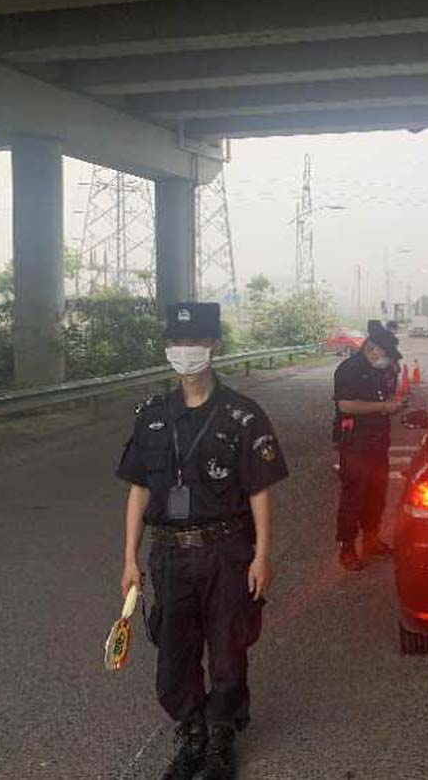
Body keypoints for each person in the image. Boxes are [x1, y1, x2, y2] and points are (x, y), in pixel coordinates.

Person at [117, 302, 288, 780]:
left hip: (226, 550)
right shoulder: (152, 415)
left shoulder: (243, 416)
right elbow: (138, 490)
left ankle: (221, 737)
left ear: (213, 345)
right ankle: (191, 732)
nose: (184, 350)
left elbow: (258, 490)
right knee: (175, 650)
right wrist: (129, 558)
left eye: (193, 342)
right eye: (176, 342)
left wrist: (262, 555)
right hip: (170, 554)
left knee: (228, 646)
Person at [332, 320, 407, 571]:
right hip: (355, 443)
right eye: (384, 354)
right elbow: (345, 405)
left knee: (377, 493)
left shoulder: (382, 370)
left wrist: (395, 403)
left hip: (378, 441)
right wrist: (383, 406)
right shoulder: (348, 369)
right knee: (354, 496)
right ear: (371, 347)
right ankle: (347, 547)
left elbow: (387, 395)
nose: (386, 359)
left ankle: (371, 539)